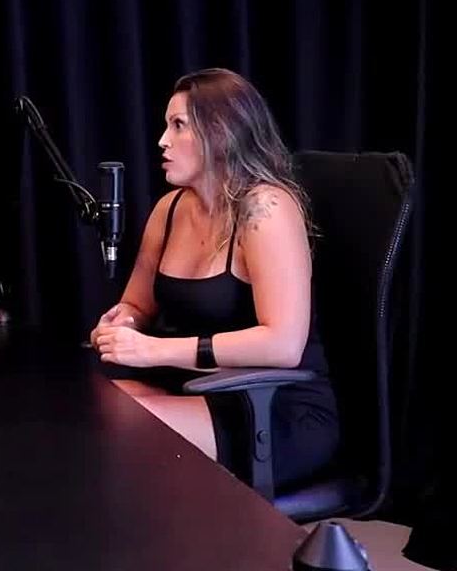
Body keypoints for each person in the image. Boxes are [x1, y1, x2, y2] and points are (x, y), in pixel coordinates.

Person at [88, 68, 338, 491]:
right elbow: (137, 304)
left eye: (178, 125)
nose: (162, 140)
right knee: (85, 410)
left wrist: (154, 351)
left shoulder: (266, 209)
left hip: (272, 409)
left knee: (114, 432)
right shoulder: (169, 210)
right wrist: (122, 323)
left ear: (219, 134)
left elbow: (283, 344)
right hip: (197, 389)